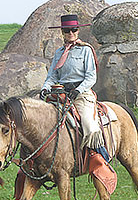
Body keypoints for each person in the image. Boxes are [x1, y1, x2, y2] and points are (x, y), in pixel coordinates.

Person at [40, 14, 110, 162]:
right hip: (60, 93)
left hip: (81, 94)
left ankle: (101, 157)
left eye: (73, 29)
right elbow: (52, 76)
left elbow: (91, 77)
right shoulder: (59, 52)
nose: (70, 33)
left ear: (78, 31)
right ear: (62, 32)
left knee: (88, 125)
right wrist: (45, 89)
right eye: (67, 30)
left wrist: (78, 90)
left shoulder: (86, 50)